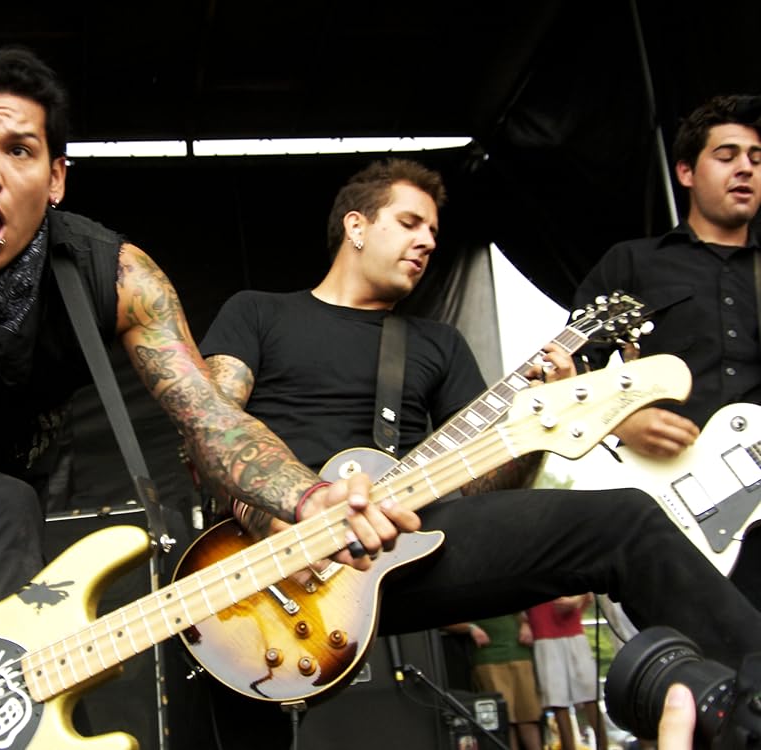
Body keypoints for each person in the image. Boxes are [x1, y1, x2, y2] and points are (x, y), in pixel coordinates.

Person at [0, 45, 416, 699]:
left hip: (20, 485)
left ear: (56, 179)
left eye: (19, 150)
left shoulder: (117, 276)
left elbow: (210, 420)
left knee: (12, 522)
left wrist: (309, 498)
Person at [194, 157, 761, 746]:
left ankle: (751, 705)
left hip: (402, 543)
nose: (426, 242)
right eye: (410, 223)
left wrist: (541, 419)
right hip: (265, 553)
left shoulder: (438, 343)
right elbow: (209, 430)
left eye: (433, 233)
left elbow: (487, 487)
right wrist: (277, 517)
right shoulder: (257, 311)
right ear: (356, 226)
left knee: (626, 520)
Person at [572, 94, 761, 609]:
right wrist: (621, 421)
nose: (745, 168)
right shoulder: (634, 263)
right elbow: (568, 373)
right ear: (686, 172)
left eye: (756, 158)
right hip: (675, 505)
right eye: (726, 156)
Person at [449, 615, 544, 750]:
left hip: (520, 655)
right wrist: (471, 628)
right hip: (489, 659)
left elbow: (525, 615)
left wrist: (526, 624)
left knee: (528, 717)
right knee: (504, 720)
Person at [527, 595, 608, 750]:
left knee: (589, 695)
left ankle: (602, 746)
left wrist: (576, 601)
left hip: (573, 630)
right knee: (557, 701)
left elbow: (588, 595)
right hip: (543, 632)